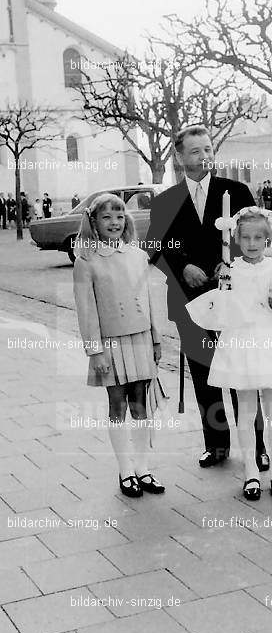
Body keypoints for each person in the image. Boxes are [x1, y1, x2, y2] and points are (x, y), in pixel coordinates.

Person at [145, 125, 269, 470]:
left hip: (234, 300)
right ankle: (216, 444)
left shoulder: (237, 191)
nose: (205, 156)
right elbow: (156, 248)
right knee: (205, 374)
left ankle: (258, 445)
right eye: (196, 151)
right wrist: (182, 266)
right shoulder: (166, 201)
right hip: (189, 302)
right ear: (180, 157)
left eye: (209, 149)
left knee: (242, 375)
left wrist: (233, 262)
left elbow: (257, 236)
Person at [189, 207, 272, 500]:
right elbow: (221, 311)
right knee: (246, 411)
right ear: (236, 239)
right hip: (242, 343)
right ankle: (250, 473)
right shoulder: (230, 270)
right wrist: (222, 285)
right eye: (245, 237)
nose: (252, 242)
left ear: (268, 239)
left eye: (259, 237)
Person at [73, 193, 165, 498]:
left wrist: (155, 337)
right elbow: (86, 310)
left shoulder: (137, 255)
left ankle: (143, 468)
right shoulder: (86, 261)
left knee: (141, 404)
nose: (114, 223)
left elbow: (148, 301)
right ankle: (125, 470)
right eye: (106, 217)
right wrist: (95, 350)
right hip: (110, 344)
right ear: (94, 222)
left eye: (119, 216)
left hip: (140, 339)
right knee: (118, 404)